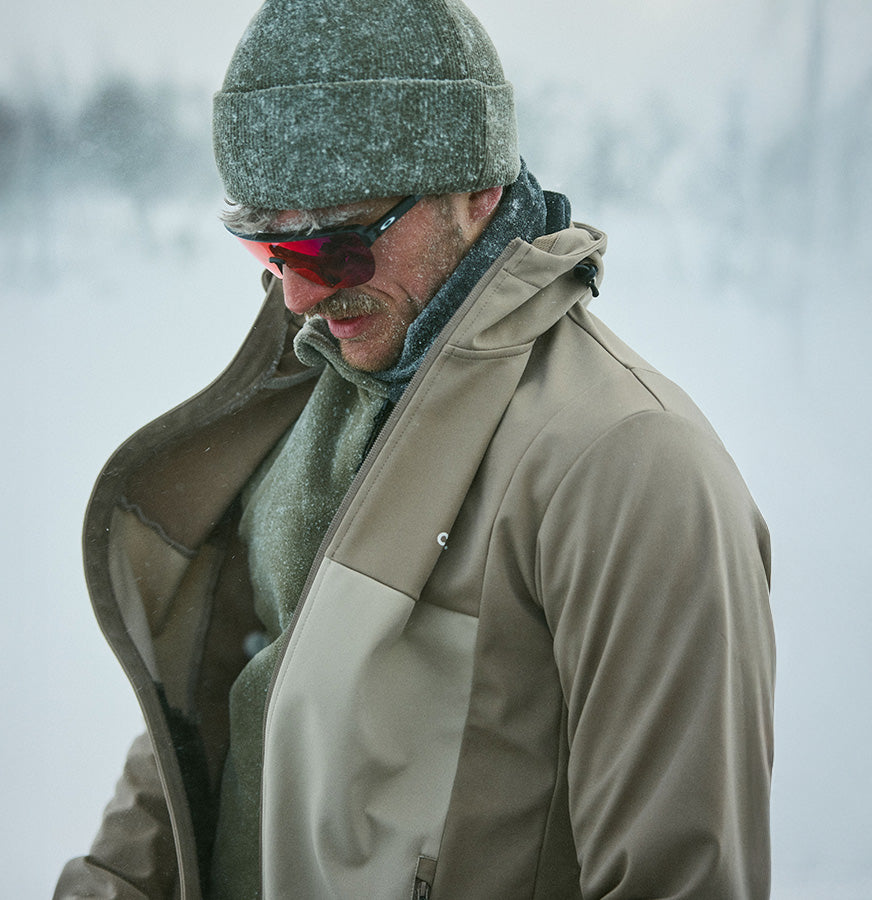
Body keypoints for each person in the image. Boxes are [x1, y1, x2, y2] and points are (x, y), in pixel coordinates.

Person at [54, 0, 776, 897]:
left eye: (342, 246)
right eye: (271, 250)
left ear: (474, 191)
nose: (299, 297)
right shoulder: (304, 404)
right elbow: (225, 709)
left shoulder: (627, 468)